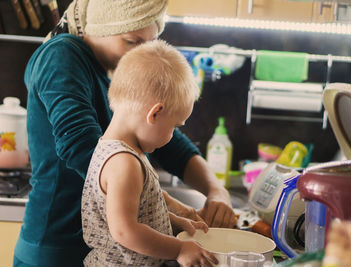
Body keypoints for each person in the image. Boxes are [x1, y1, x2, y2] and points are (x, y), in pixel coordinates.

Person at [14, 0, 235, 266]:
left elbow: (166, 133)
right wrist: (157, 202)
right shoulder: (61, 56)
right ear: (101, 26)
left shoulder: (111, 69)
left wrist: (216, 190)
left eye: (150, 42)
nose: (142, 53)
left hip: (101, 250)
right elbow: (80, 145)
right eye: (132, 41)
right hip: (58, 247)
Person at [82, 39, 218, 267]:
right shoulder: (123, 162)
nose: (173, 135)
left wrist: (170, 222)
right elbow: (125, 231)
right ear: (155, 114)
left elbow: (136, 215)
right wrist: (179, 248)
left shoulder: (116, 149)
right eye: (175, 126)